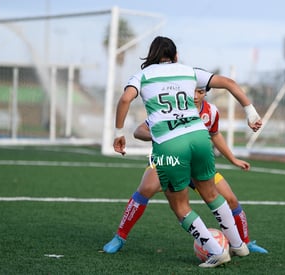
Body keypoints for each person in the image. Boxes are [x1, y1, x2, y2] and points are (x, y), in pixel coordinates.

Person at [112, 36, 262, 268]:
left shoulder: (142, 76)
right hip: (199, 137)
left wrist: (118, 132)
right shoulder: (189, 71)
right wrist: (251, 112)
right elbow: (230, 83)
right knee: (212, 193)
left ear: (151, 56)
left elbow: (125, 99)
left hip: (170, 145)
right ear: (176, 56)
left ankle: (216, 250)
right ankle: (238, 245)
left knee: (180, 205)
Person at [104, 88, 268, 255]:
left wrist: (233, 159)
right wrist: (163, 136)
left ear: (206, 93)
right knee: (146, 188)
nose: (196, 96)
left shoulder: (211, 112)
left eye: (201, 92)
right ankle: (120, 237)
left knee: (230, 198)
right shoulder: (170, 110)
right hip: (168, 160)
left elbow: (215, 134)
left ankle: (244, 242)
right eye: (193, 91)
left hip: (196, 165)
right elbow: (139, 131)